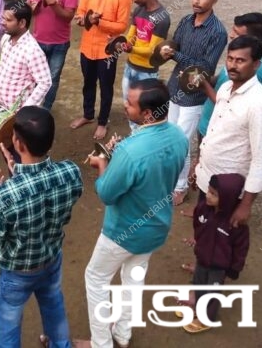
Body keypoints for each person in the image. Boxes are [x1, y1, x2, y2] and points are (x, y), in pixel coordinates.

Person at [79, 79, 188, 348]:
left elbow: (106, 193)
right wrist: (119, 159)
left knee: (96, 278)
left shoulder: (131, 151)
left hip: (122, 231)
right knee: (134, 278)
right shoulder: (179, 136)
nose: (125, 106)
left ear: (148, 114)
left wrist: (103, 163)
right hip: (155, 228)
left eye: (130, 103)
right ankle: (123, 334)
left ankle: (100, 343)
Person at [0, 106, 83, 348]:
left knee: (7, 326)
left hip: (15, 272)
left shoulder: (5, 195)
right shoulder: (71, 172)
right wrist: (18, 176)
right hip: (51, 259)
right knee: (53, 305)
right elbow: (44, 187)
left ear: (17, 142)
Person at [157, 0, 228, 205]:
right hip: (175, 88)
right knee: (170, 137)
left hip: (194, 96)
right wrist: (166, 51)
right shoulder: (186, 21)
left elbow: (205, 69)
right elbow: (174, 44)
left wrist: (175, 55)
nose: (197, 1)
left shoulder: (218, 32)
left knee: (182, 141)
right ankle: (170, 180)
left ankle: (180, 186)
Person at [195, 35, 262, 228]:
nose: (233, 65)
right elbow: (213, 130)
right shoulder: (224, 88)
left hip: (229, 190)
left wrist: (246, 204)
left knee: (222, 242)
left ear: (256, 64)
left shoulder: (260, 105)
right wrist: (198, 164)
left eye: (240, 60)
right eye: (230, 59)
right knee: (203, 227)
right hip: (207, 178)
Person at [70, 0, 132, 140]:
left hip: (107, 51)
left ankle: (103, 122)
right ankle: (88, 115)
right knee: (87, 83)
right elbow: (79, 14)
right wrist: (84, 19)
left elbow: (122, 26)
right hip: (87, 48)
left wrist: (99, 22)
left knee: (106, 87)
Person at [183, 173, 249, 334]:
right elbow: (198, 224)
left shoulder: (235, 223)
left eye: (214, 194)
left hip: (220, 266)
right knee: (198, 284)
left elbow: (241, 248)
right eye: (208, 190)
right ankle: (198, 307)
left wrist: (234, 269)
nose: (208, 195)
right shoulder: (203, 208)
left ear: (227, 198)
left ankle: (208, 317)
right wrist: (197, 239)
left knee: (212, 292)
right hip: (202, 258)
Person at [198, 13, 262, 141]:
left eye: (237, 33)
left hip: (222, 134)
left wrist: (204, 86)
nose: (231, 35)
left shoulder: (256, 70)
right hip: (208, 124)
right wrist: (202, 77)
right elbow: (221, 79)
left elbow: (232, 106)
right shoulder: (237, 60)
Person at [27, 0, 79, 110]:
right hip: (37, 40)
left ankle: (46, 109)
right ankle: (32, 107)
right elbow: (30, 8)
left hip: (59, 43)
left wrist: (54, 5)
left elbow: (68, 17)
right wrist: (36, 5)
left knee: (52, 78)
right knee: (34, 77)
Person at [120, 0, 171, 130]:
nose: (134, 0)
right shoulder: (139, 11)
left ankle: (141, 138)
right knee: (129, 107)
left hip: (147, 73)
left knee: (144, 113)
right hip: (130, 67)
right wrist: (124, 43)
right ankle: (134, 135)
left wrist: (131, 48)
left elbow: (152, 51)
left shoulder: (162, 18)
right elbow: (131, 35)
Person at [0, 1, 52, 110]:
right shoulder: (5, 38)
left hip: (16, 112)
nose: (3, 22)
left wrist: (26, 109)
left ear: (22, 23)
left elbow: (45, 82)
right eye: (3, 18)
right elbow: (2, 67)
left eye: (8, 20)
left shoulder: (32, 50)